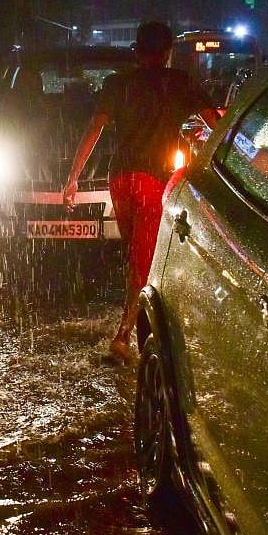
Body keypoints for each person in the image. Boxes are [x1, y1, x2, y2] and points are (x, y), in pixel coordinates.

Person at [62, 21, 218, 363]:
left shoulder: (117, 84)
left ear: (136, 51)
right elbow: (216, 123)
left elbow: (94, 129)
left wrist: (73, 178)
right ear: (168, 52)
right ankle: (124, 336)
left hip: (120, 179)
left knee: (137, 253)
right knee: (142, 261)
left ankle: (137, 321)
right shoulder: (180, 83)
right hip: (152, 181)